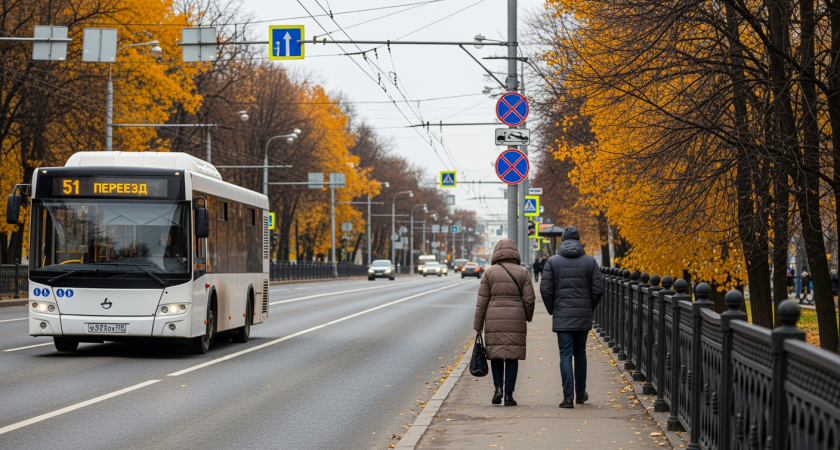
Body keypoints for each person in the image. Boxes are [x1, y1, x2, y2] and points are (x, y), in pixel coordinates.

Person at [539, 226, 603, 409]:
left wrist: (554, 309)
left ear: (562, 240)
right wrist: (588, 308)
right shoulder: (590, 262)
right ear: (578, 240)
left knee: (565, 355)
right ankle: (581, 394)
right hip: (582, 315)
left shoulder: (552, 262)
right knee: (581, 354)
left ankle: (568, 398)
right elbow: (598, 290)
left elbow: (545, 290)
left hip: (563, 315)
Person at [474, 239, 536, 407]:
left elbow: (482, 301)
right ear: (515, 253)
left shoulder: (488, 272)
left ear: (496, 253)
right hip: (516, 317)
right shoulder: (523, 272)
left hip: (493, 318)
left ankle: (498, 389)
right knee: (512, 357)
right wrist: (527, 317)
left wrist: (478, 326)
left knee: (495, 355)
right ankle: (509, 395)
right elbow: (529, 299)